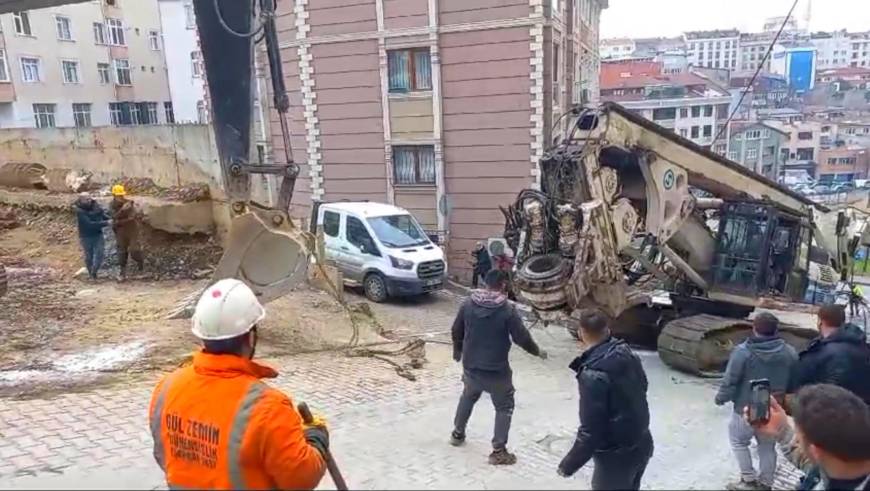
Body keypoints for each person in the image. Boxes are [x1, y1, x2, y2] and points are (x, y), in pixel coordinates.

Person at [148, 278, 327, 489]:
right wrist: (316, 437)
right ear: (251, 338)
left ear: (203, 336)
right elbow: (301, 479)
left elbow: (163, 456)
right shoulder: (268, 408)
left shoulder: (166, 388)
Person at [450, 269, 547, 465]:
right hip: (496, 370)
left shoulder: (468, 303)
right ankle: (498, 451)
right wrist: (537, 351)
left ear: (486, 283)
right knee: (504, 407)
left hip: (471, 366)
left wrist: (457, 352)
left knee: (468, 396)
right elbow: (522, 338)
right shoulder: (506, 310)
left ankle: (457, 434)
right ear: (503, 284)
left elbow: (455, 330)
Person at [557, 309, 653, 490]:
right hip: (642, 443)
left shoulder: (592, 374)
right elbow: (643, 386)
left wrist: (568, 465)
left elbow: (591, 430)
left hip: (615, 457)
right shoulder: (627, 352)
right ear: (607, 329)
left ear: (581, 333)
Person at [715, 313, 798, 490]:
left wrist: (721, 398)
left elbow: (731, 380)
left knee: (739, 442)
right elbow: (793, 382)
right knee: (767, 447)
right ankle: (766, 484)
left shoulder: (742, 352)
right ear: (776, 330)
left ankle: (748, 480)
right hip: (772, 410)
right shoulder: (790, 353)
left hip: (744, 409)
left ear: (754, 328)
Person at [751, 384, 870, 491]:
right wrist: (781, 430)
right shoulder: (835, 464)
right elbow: (813, 466)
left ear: (815, 452)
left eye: (799, 438)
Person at [789, 304, 870, 405]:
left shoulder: (822, 352)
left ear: (820, 321)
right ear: (843, 321)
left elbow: (801, 382)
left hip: (828, 409)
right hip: (859, 409)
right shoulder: (862, 346)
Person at [109, 184, 144, 280]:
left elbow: (135, 215)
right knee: (122, 251)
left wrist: (136, 212)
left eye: (121, 195)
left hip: (132, 229)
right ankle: (122, 272)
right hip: (120, 230)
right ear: (114, 196)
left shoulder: (129, 203)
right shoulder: (112, 205)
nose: (121, 197)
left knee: (134, 250)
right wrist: (122, 211)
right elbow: (114, 218)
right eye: (118, 196)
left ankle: (141, 268)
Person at [74, 193, 110, 280]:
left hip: (98, 234)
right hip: (86, 236)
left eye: (90, 199)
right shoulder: (79, 211)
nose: (89, 201)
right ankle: (91, 273)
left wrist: (111, 218)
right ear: (81, 200)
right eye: (86, 199)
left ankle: (94, 272)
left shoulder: (95, 206)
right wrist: (106, 223)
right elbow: (89, 224)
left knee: (100, 254)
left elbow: (102, 215)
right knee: (89, 256)